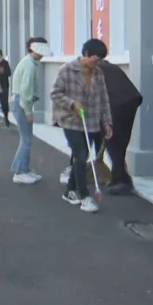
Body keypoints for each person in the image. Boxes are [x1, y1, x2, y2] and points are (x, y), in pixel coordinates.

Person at [50, 38, 113, 214]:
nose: (97, 63)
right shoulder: (66, 70)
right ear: (86, 54)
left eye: (100, 60)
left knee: (80, 157)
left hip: (91, 122)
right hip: (71, 120)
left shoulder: (98, 74)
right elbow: (55, 94)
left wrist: (107, 122)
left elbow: (104, 99)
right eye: (95, 59)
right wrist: (72, 104)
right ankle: (84, 196)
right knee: (81, 154)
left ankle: (70, 190)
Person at [98, 58, 143, 195]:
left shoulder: (91, 70)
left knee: (112, 141)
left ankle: (122, 181)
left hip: (116, 104)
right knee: (121, 141)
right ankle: (120, 177)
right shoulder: (110, 66)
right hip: (132, 101)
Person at [9, 37, 50, 185]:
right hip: (22, 103)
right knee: (26, 139)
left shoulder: (29, 63)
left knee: (26, 138)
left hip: (20, 101)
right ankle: (19, 172)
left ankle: (24, 169)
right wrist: (28, 111)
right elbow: (25, 91)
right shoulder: (29, 65)